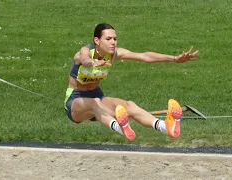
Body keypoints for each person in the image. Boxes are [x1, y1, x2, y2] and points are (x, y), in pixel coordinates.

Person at [64, 23, 199, 140]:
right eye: (108, 39)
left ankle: (166, 126)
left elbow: (144, 56)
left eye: (115, 39)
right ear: (97, 40)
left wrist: (175, 58)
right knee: (95, 103)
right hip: (75, 101)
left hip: (97, 96)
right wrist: (93, 63)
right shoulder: (85, 51)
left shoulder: (114, 54)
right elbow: (85, 60)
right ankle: (120, 127)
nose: (113, 42)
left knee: (129, 106)